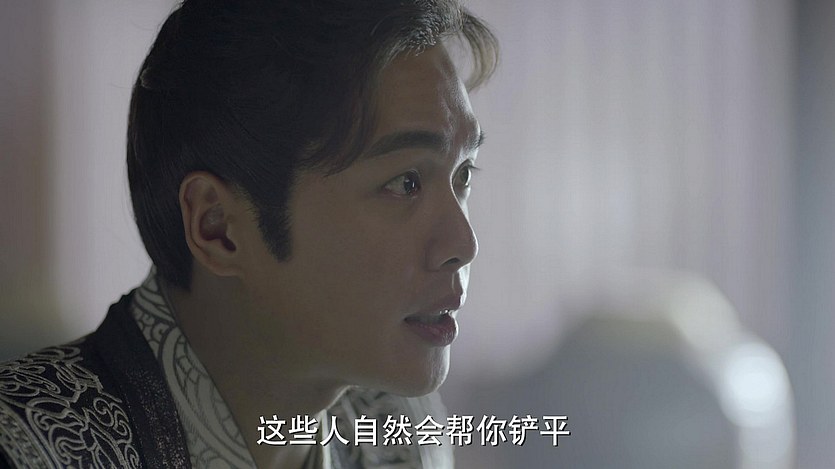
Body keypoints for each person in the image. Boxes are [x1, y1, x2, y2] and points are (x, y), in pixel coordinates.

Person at [0, 0, 497, 467]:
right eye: (405, 183)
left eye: (464, 175)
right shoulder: (33, 447)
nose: (464, 245)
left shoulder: (398, 433)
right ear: (218, 227)